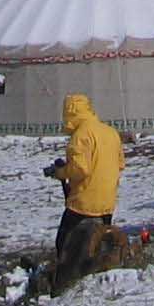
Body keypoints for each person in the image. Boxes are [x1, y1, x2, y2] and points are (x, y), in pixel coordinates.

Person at [45, 92, 120, 287]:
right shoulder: (110, 132)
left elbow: (80, 169)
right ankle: (93, 280)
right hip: (107, 202)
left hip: (83, 202)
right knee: (97, 243)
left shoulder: (80, 136)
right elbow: (120, 164)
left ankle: (63, 282)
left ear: (71, 112)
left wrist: (60, 173)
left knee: (65, 241)